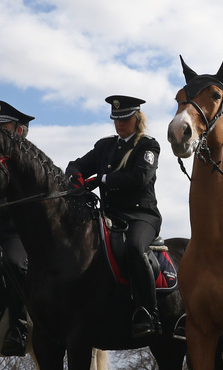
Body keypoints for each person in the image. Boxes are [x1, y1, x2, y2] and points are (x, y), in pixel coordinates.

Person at [64, 95, 162, 338]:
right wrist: (74, 176)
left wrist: (103, 179)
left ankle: (149, 313)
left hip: (141, 215)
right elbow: (76, 164)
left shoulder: (147, 145)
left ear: (136, 119)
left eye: (125, 119)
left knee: (135, 250)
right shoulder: (105, 146)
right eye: (116, 119)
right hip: (110, 215)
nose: (119, 124)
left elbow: (140, 177)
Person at [0, 100, 34, 356]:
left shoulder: (29, 160)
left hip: (16, 231)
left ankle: (17, 328)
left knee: (15, 265)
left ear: (18, 130)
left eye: (3, 127)